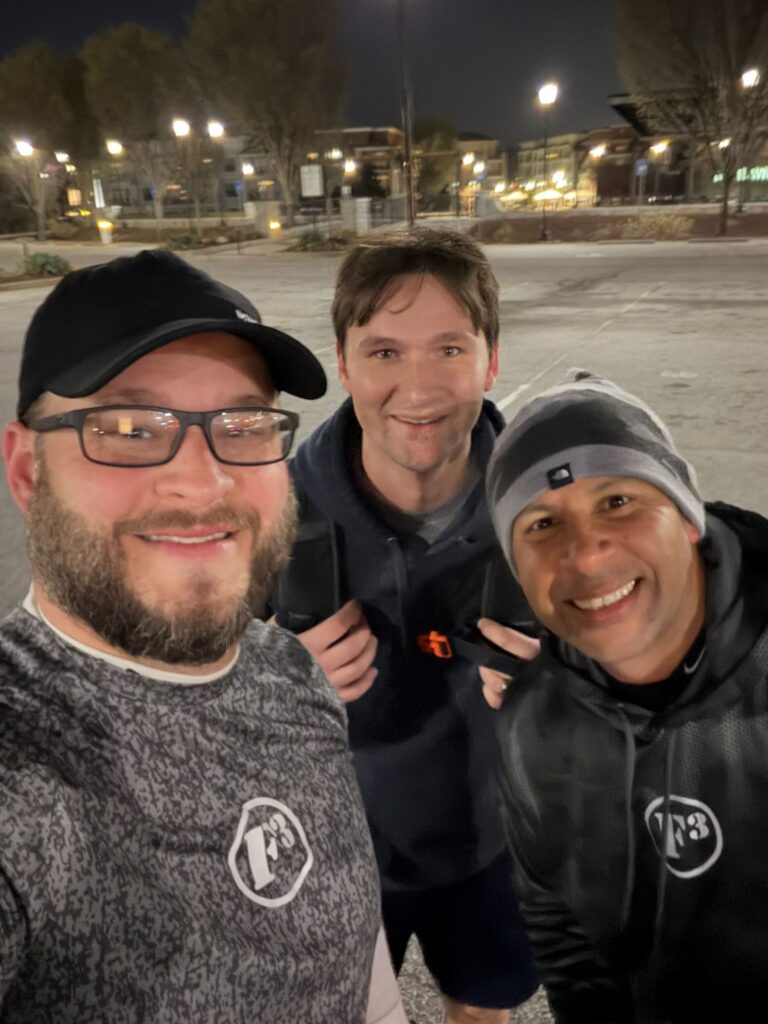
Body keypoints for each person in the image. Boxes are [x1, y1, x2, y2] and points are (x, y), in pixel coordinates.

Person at [0, 250, 402, 1023]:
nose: (202, 481)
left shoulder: (291, 671)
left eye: (243, 424)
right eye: (128, 427)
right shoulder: (20, 763)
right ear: (26, 470)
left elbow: (354, 956)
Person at [271, 229, 539, 1024]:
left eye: (448, 348)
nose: (417, 389)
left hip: (496, 844)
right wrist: (274, 674)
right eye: (385, 352)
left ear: (491, 360)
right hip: (331, 855)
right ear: (344, 364)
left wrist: (572, 682)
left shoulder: (553, 513)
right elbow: (178, 700)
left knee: (482, 1011)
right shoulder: (267, 511)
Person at [481, 370, 768, 1024]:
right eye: (542, 523)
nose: (585, 554)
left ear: (688, 517)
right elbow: (562, 929)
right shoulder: (533, 722)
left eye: (617, 501)